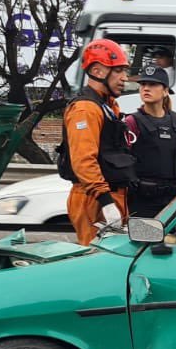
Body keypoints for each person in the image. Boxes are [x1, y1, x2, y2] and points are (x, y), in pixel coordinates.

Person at [57, 38, 133, 245]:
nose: (125, 78)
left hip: (109, 194)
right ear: (99, 71)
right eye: (119, 71)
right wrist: (105, 201)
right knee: (96, 259)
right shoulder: (86, 109)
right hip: (94, 199)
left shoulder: (107, 106)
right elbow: (83, 161)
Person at [123, 65, 176, 218]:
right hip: (143, 202)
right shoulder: (132, 122)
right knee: (145, 241)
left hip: (173, 201)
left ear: (165, 91)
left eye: (152, 84)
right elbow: (123, 162)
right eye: (143, 84)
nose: (146, 88)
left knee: (174, 241)